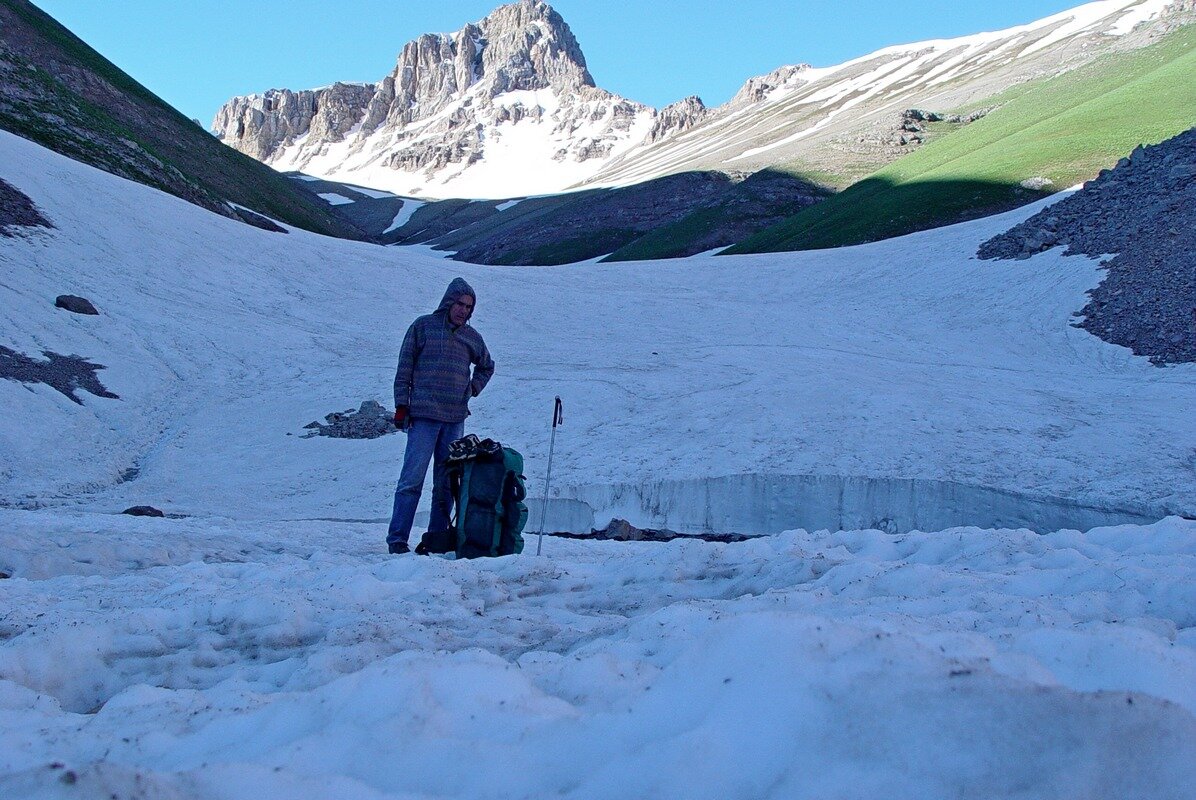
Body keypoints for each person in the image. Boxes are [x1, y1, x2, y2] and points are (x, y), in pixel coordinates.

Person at [387, 277, 494, 554]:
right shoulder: (422, 327)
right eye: (459, 304)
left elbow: (487, 366)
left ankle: (436, 537)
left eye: (469, 307)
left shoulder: (472, 338)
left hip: (454, 418)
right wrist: (402, 405)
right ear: (449, 301)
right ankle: (397, 540)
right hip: (423, 416)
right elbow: (405, 367)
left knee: (445, 484)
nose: (463, 310)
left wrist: (472, 388)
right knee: (411, 480)